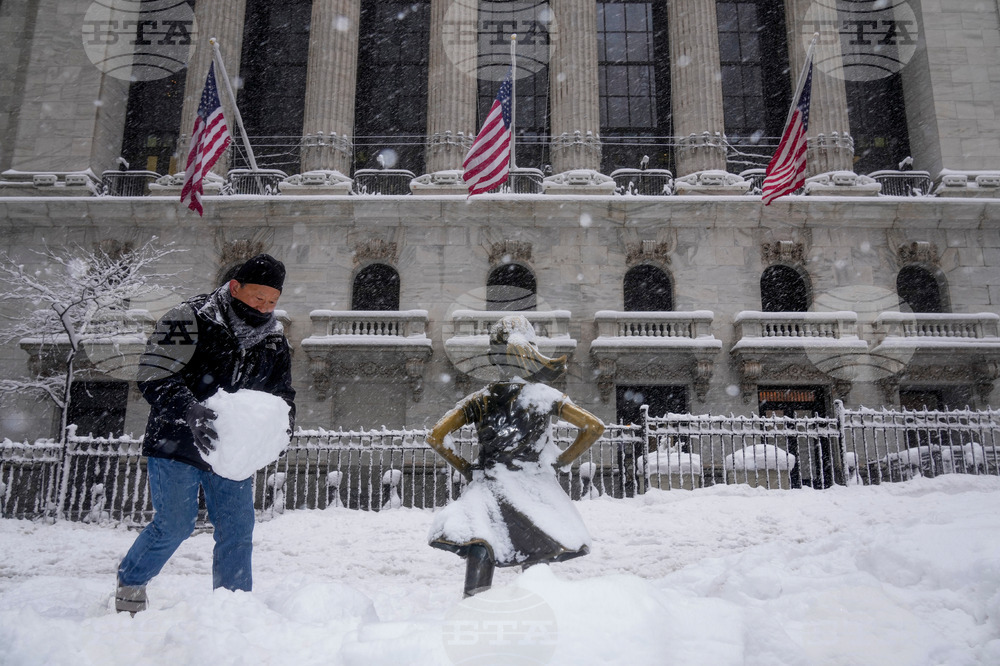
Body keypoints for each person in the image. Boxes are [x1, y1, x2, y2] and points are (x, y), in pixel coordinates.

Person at [115, 254, 296, 614]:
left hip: (231, 451)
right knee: (175, 525)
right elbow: (154, 374)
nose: (264, 307)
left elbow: (282, 396)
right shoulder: (189, 318)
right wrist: (188, 409)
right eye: (257, 297)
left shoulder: (274, 339)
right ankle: (132, 581)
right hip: (177, 440)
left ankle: (233, 606)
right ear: (235, 287)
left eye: (272, 301)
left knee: (237, 530)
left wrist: (283, 428)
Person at [425, 315, 605, 597]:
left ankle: (473, 607)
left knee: (482, 543)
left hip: (490, 484)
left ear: (493, 357)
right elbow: (594, 427)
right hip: (532, 488)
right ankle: (538, 607)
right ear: (530, 350)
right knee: (536, 547)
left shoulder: (480, 398)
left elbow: (436, 436)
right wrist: (561, 460)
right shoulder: (543, 395)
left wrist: (466, 468)